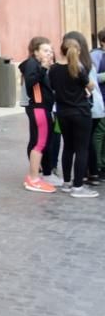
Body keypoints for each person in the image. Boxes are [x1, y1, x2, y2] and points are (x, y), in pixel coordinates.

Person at [50, 35, 98, 198]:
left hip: (63, 113)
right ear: (76, 51)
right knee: (81, 149)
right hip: (81, 112)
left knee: (68, 147)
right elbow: (90, 86)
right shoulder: (77, 68)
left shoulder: (54, 69)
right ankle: (78, 187)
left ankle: (67, 183)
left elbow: (53, 88)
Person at [20, 36, 57, 192]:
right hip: (38, 108)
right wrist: (43, 68)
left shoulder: (41, 66)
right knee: (39, 143)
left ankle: (35, 176)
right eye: (45, 50)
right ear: (35, 52)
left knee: (40, 142)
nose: (49, 53)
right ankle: (33, 178)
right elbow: (30, 83)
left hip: (44, 108)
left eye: (50, 50)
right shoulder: (32, 64)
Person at [90, 29, 105, 182]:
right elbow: (92, 78)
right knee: (99, 134)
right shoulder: (96, 55)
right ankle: (98, 166)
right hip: (100, 101)